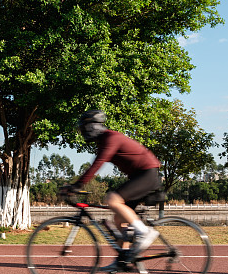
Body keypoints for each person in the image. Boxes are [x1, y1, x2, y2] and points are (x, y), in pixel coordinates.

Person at [63, 109, 162, 261]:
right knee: (119, 219)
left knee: (113, 199)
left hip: (147, 174)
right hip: (139, 176)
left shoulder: (111, 138)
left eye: (84, 128)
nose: (82, 131)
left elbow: (96, 165)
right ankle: (122, 260)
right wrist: (76, 185)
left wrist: (77, 185)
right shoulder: (104, 141)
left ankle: (144, 232)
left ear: (92, 126)